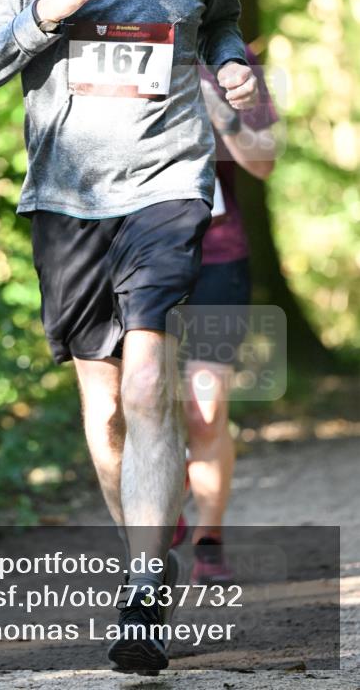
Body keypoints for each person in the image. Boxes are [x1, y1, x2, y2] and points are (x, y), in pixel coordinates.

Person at [0, 0, 259, 673]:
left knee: (146, 383)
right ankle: (146, 550)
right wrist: (49, 10)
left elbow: (220, 21)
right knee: (104, 412)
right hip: (66, 194)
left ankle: (140, 594)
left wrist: (230, 62)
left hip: (167, 182)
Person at [182, 45, 278, 582]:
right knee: (137, 397)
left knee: (204, 407)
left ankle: (209, 540)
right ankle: (157, 502)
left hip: (218, 256)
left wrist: (219, 108)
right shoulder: (113, 38)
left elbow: (264, 161)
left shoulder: (233, 63)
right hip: (130, 255)